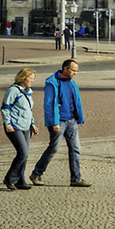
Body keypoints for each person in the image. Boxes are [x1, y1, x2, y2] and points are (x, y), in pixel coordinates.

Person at [30, 59, 89, 187]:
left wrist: (79, 118)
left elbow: (76, 102)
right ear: (65, 69)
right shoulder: (52, 83)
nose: (75, 73)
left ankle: (76, 178)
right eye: (73, 70)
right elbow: (49, 105)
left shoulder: (72, 84)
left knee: (75, 149)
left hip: (71, 120)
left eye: (76, 71)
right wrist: (54, 123)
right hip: (59, 122)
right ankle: (36, 173)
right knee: (54, 148)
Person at [1, 67, 38, 190]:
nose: (32, 81)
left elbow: (28, 110)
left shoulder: (28, 92)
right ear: (24, 78)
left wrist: (32, 123)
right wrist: (8, 124)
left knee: (25, 155)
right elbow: (5, 108)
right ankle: (10, 178)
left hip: (26, 126)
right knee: (23, 153)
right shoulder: (13, 91)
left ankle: (20, 181)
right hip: (15, 126)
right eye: (31, 78)